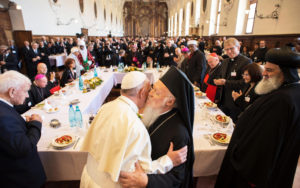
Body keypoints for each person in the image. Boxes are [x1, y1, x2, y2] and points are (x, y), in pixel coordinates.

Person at [80, 71, 187, 188]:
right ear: (141, 93)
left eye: (155, 91)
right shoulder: (136, 126)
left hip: (89, 178)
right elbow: (138, 172)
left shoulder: (105, 107)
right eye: (150, 89)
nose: (150, 93)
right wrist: (168, 161)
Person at [215, 47, 300, 187]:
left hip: (253, 168)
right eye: (265, 68)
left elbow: (264, 142)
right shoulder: (287, 90)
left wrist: (240, 156)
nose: (264, 73)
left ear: (286, 73)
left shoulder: (282, 100)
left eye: (270, 70)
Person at [119, 66, 195, 188]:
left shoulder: (179, 133)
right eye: (153, 88)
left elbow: (177, 177)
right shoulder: (154, 112)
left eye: (157, 92)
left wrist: (146, 181)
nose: (150, 93)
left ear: (169, 102)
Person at [0, 71, 46, 187]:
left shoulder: (5, 108)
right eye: (25, 91)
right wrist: (36, 124)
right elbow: (24, 148)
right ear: (12, 91)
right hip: (22, 179)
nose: (27, 95)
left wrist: (27, 124)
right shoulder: (4, 116)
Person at [214, 38, 252, 122]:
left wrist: (225, 82)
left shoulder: (246, 61)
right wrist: (217, 81)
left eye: (231, 48)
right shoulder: (225, 61)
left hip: (235, 101)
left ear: (238, 48)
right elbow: (221, 76)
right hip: (223, 100)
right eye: (226, 49)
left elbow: (245, 82)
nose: (229, 51)